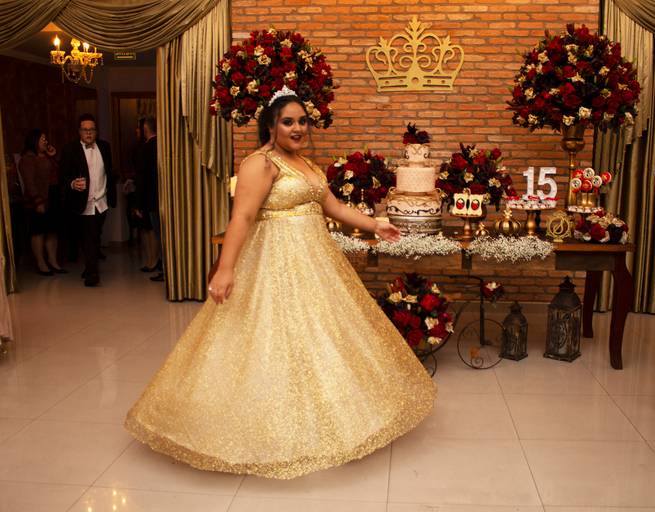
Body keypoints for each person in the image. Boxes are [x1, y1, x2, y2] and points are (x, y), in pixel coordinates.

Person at [125, 87, 436, 479]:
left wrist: (375, 225)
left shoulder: (306, 164)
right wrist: (225, 268)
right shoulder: (261, 163)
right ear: (271, 125)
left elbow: (333, 207)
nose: (297, 128)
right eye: (288, 122)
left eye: (302, 121)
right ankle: (263, 431)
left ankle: (328, 424)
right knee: (268, 344)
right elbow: (242, 217)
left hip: (316, 268)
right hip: (272, 268)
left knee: (322, 342)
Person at [60, 114, 116, 287]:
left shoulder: (105, 147)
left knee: (95, 235)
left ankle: (89, 266)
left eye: (91, 129)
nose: (88, 133)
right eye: (85, 130)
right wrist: (72, 183)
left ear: (96, 131)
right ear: (79, 132)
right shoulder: (70, 149)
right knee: (88, 237)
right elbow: (62, 176)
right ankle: (92, 274)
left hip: (102, 201)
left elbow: (109, 171)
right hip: (83, 202)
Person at [18, 129, 66, 275]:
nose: (46, 141)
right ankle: (41, 263)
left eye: (45, 139)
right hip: (38, 199)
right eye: (42, 139)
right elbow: (29, 182)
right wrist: (38, 201)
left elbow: (58, 171)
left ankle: (53, 261)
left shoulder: (47, 156)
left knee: (52, 230)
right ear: (34, 141)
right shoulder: (28, 159)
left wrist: (53, 156)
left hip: (53, 197)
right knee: (38, 231)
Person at [133, 116, 163, 280]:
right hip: (163, 198)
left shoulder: (145, 149)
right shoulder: (163, 145)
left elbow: (142, 178)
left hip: (150, 198)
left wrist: (138, 203)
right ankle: (159, 264)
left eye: (139, 129)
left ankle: (157, 264)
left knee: (155, 233)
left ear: (145, 130)